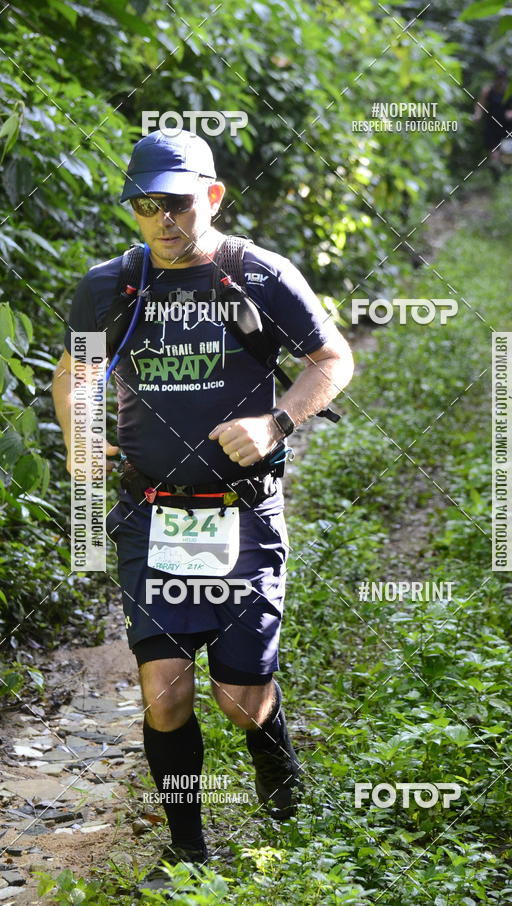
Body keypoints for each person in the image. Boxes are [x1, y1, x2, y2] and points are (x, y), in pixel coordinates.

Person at [51, 129, 354, 891]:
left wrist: (277, 423)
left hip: (242, 511)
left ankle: (282, 788)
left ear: (212, 197)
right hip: (150, 514)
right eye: (145, 206)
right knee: (164, 689)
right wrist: (78, 430)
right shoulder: (109, 286)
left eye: (177, 203)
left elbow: (333, 359)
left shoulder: (258, 275)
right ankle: (188, 852)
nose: (162, 220)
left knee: (242, 695)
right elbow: (78, 373)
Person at [473, 67, 512, 180]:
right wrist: (477, 115)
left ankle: (507, 178)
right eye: (498, 78)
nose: (500, 80)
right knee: (494, 155)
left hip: (508, 126)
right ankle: (496, 178)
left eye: (502, 78)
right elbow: (480, 105)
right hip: (492, 126)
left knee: (507, 154)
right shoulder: (488, 90)